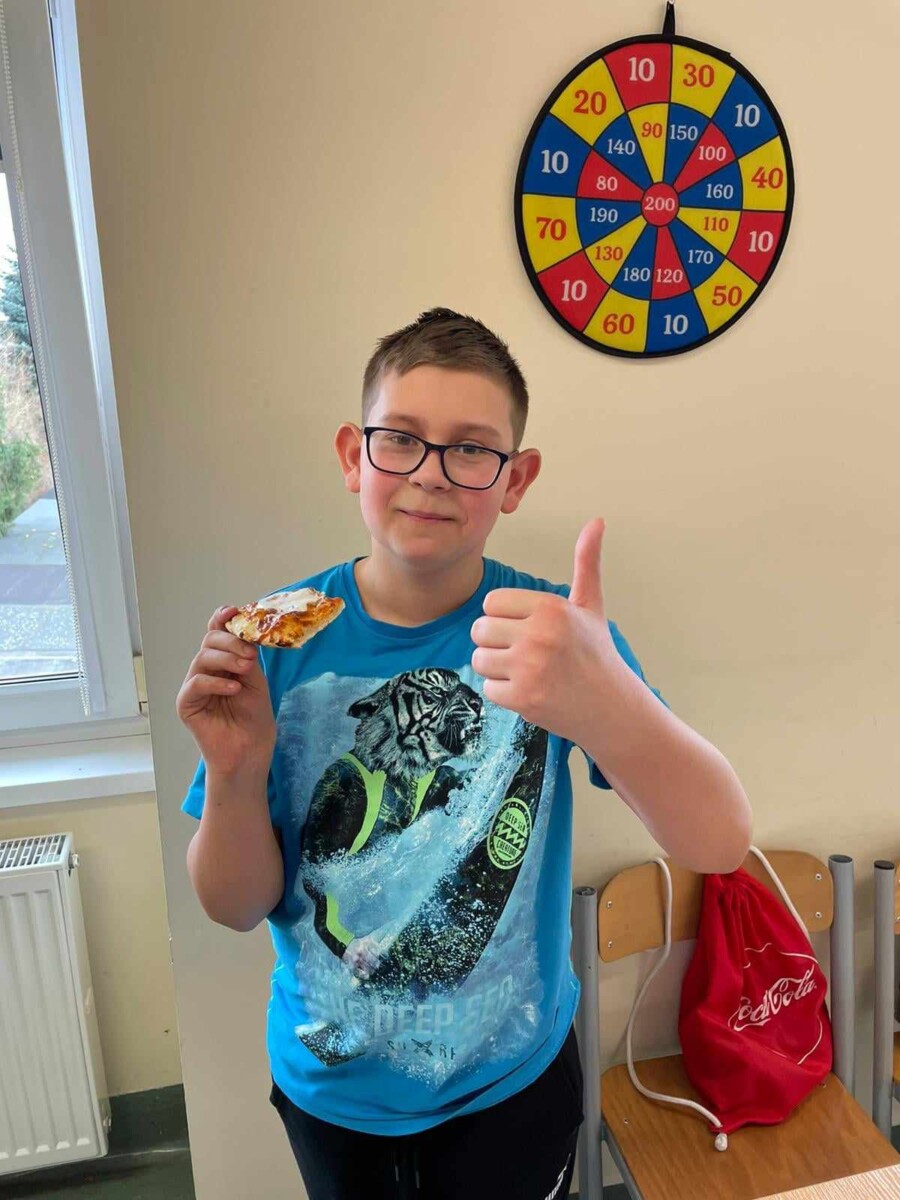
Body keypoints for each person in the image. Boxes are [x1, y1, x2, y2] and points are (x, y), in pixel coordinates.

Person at [177, 307, 752, 1200]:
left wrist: (611, 704)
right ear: (353, 456)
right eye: (400, 439)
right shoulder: (280, 645)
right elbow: (233, 904)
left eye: (472, 450)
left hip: (513, 1086)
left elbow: (718, 843)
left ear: (515, 479)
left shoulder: (557, 640)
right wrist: (234, 768)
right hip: (332, 1094)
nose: (430, 474)